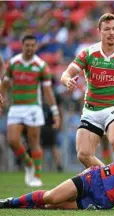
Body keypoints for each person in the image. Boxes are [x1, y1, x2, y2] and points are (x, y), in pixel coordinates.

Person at [60, 13, 114, 167]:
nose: (111, 33)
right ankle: (108, 178)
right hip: (91, 111)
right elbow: (66, 73)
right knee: (83, 155)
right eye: (107, 29)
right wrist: (67, 81)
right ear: (99, 32)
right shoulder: (88, 54)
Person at [0, 35, 61, 187]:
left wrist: (55, 111)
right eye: (27, 45)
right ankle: (28, 164)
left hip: (33, 108)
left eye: (32, 45)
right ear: (22, 45)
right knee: (13, 141)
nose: (30, 48)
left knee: (34, 142)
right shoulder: (13, 63)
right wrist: (1, 98)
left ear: (36, 46)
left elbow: (48, 91)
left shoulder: (40, 65)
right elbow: (5, 84)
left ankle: (37, 176)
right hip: (16, 107)